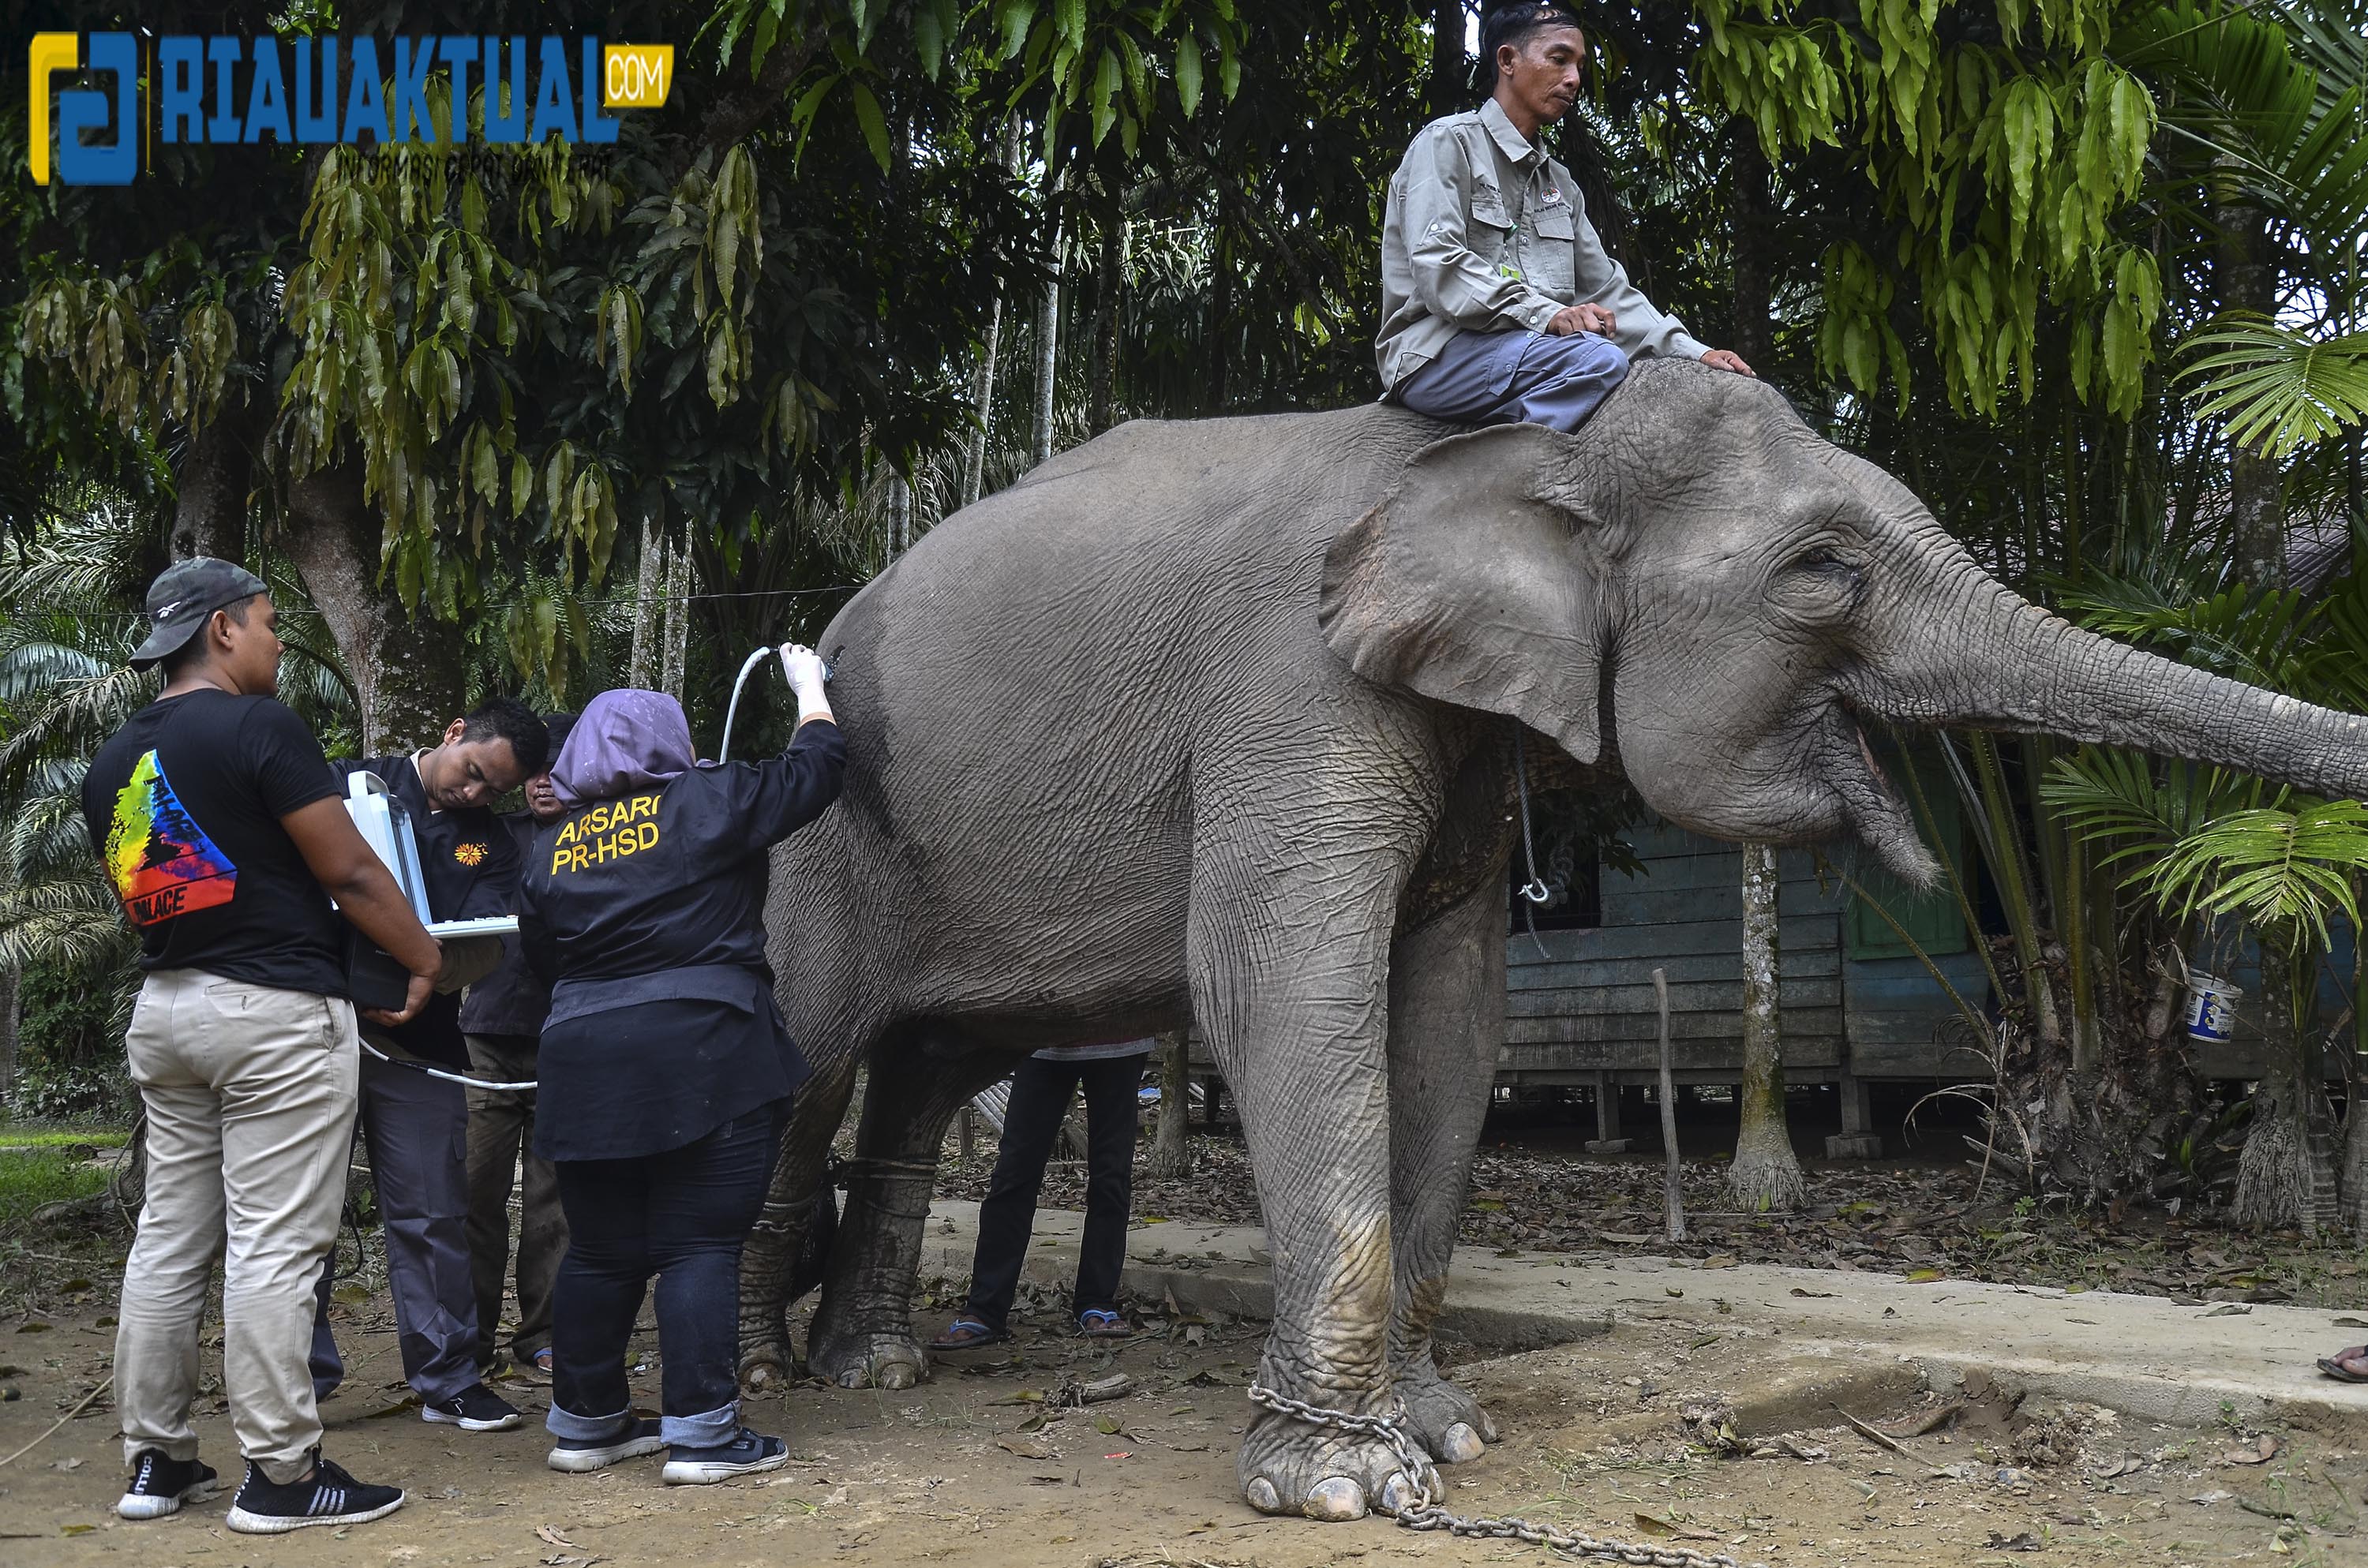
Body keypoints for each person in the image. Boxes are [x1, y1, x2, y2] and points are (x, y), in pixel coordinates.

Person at [82, 557, 439, 1533]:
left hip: (167, 1012)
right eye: (271, 622)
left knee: (169, 1238)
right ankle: (282, 1473)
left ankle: (157, 1459)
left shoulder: (113, 761)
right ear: (223, 628)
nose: (279, 642)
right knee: (275, 1244)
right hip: (273, 1015)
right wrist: (422, 959)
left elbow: (151, 893)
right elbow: (350, 871)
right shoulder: (258, 726)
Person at [520, 655, 844, 1484]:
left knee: (601, 1250)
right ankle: (703, 1434)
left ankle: (586, 1424)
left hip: (582, 1058)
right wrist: (810, 690)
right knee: (700, 1243)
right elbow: (814, 771)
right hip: (704, 1047)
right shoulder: (703, 800)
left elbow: (542, 961)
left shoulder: (551, 847)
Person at [308, 699, 549, 1435]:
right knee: (301, 1211)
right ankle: (293, 1378)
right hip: (312, 1029)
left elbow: (489, 944)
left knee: (433, 1210)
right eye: (472, 772)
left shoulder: (492, 843)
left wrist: (429, 974)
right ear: (454, 732)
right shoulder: (345, 784)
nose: (473, 793)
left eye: (492, 789)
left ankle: (448, 1376)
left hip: (421, 1042)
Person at [1377, 2, 1755, 434]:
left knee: (1629, 375)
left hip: (1531, 353)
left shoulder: (1560, 184)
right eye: (1559, 59)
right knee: (1600, 361)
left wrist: (1695, 352)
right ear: (1508, 61)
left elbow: (1608, 292)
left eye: (1579, 66)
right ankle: (1519, 465)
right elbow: (1439, 264)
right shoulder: (1446, 143)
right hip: (1437, 354)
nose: (1574, 79)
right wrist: (1548, 315)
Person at [459, 710, 578, 1383]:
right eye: (533, 771)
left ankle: (543, 1333)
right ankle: (470, 1334)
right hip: (486, 1038)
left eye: (557, 769)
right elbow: (453, 873)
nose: (543, 783)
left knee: (552, 1200)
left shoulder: (599, 838)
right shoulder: (492, 837)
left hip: (565, 1038)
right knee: (474, 1191)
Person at [932, 1040, 1153, 1349]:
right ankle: (985, 1309)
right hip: (1043, 1042)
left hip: (1121, 1040)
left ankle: (1096, 1301)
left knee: (1111, 1177)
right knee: (1014, 1173)